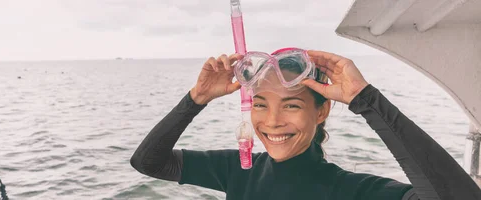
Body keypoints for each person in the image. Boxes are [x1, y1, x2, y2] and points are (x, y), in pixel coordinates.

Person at [130, 48, 481, 200]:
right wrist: (196, 99)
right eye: (261, 104)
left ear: (322, 111)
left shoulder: (352, 191)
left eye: (292, 105)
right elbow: (148, 162)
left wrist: (367, 100)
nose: (272, 121)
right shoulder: (237, 168)